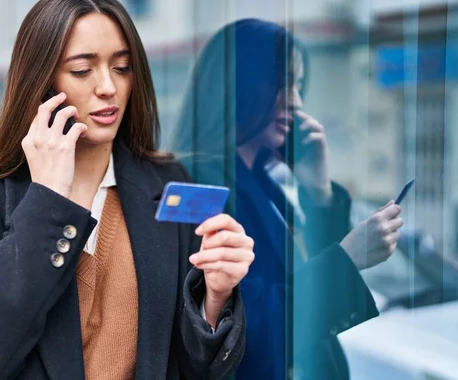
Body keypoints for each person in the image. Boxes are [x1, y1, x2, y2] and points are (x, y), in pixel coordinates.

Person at [0, 0, 255, 380]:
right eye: (82, 70)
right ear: (42, 83)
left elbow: (190, 367)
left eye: (122, 67)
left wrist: (214, 299)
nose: (108, 87)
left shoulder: (168, 185)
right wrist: (46, 201)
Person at [172, 19, 404, 379]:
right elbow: (245, 329)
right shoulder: (198, 185)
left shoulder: (261, 181)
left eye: (297, 86)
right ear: (241, 86)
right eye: (283, 84)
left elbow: (310, 272)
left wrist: (318, 187)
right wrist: (350, 258)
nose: (295, 103)